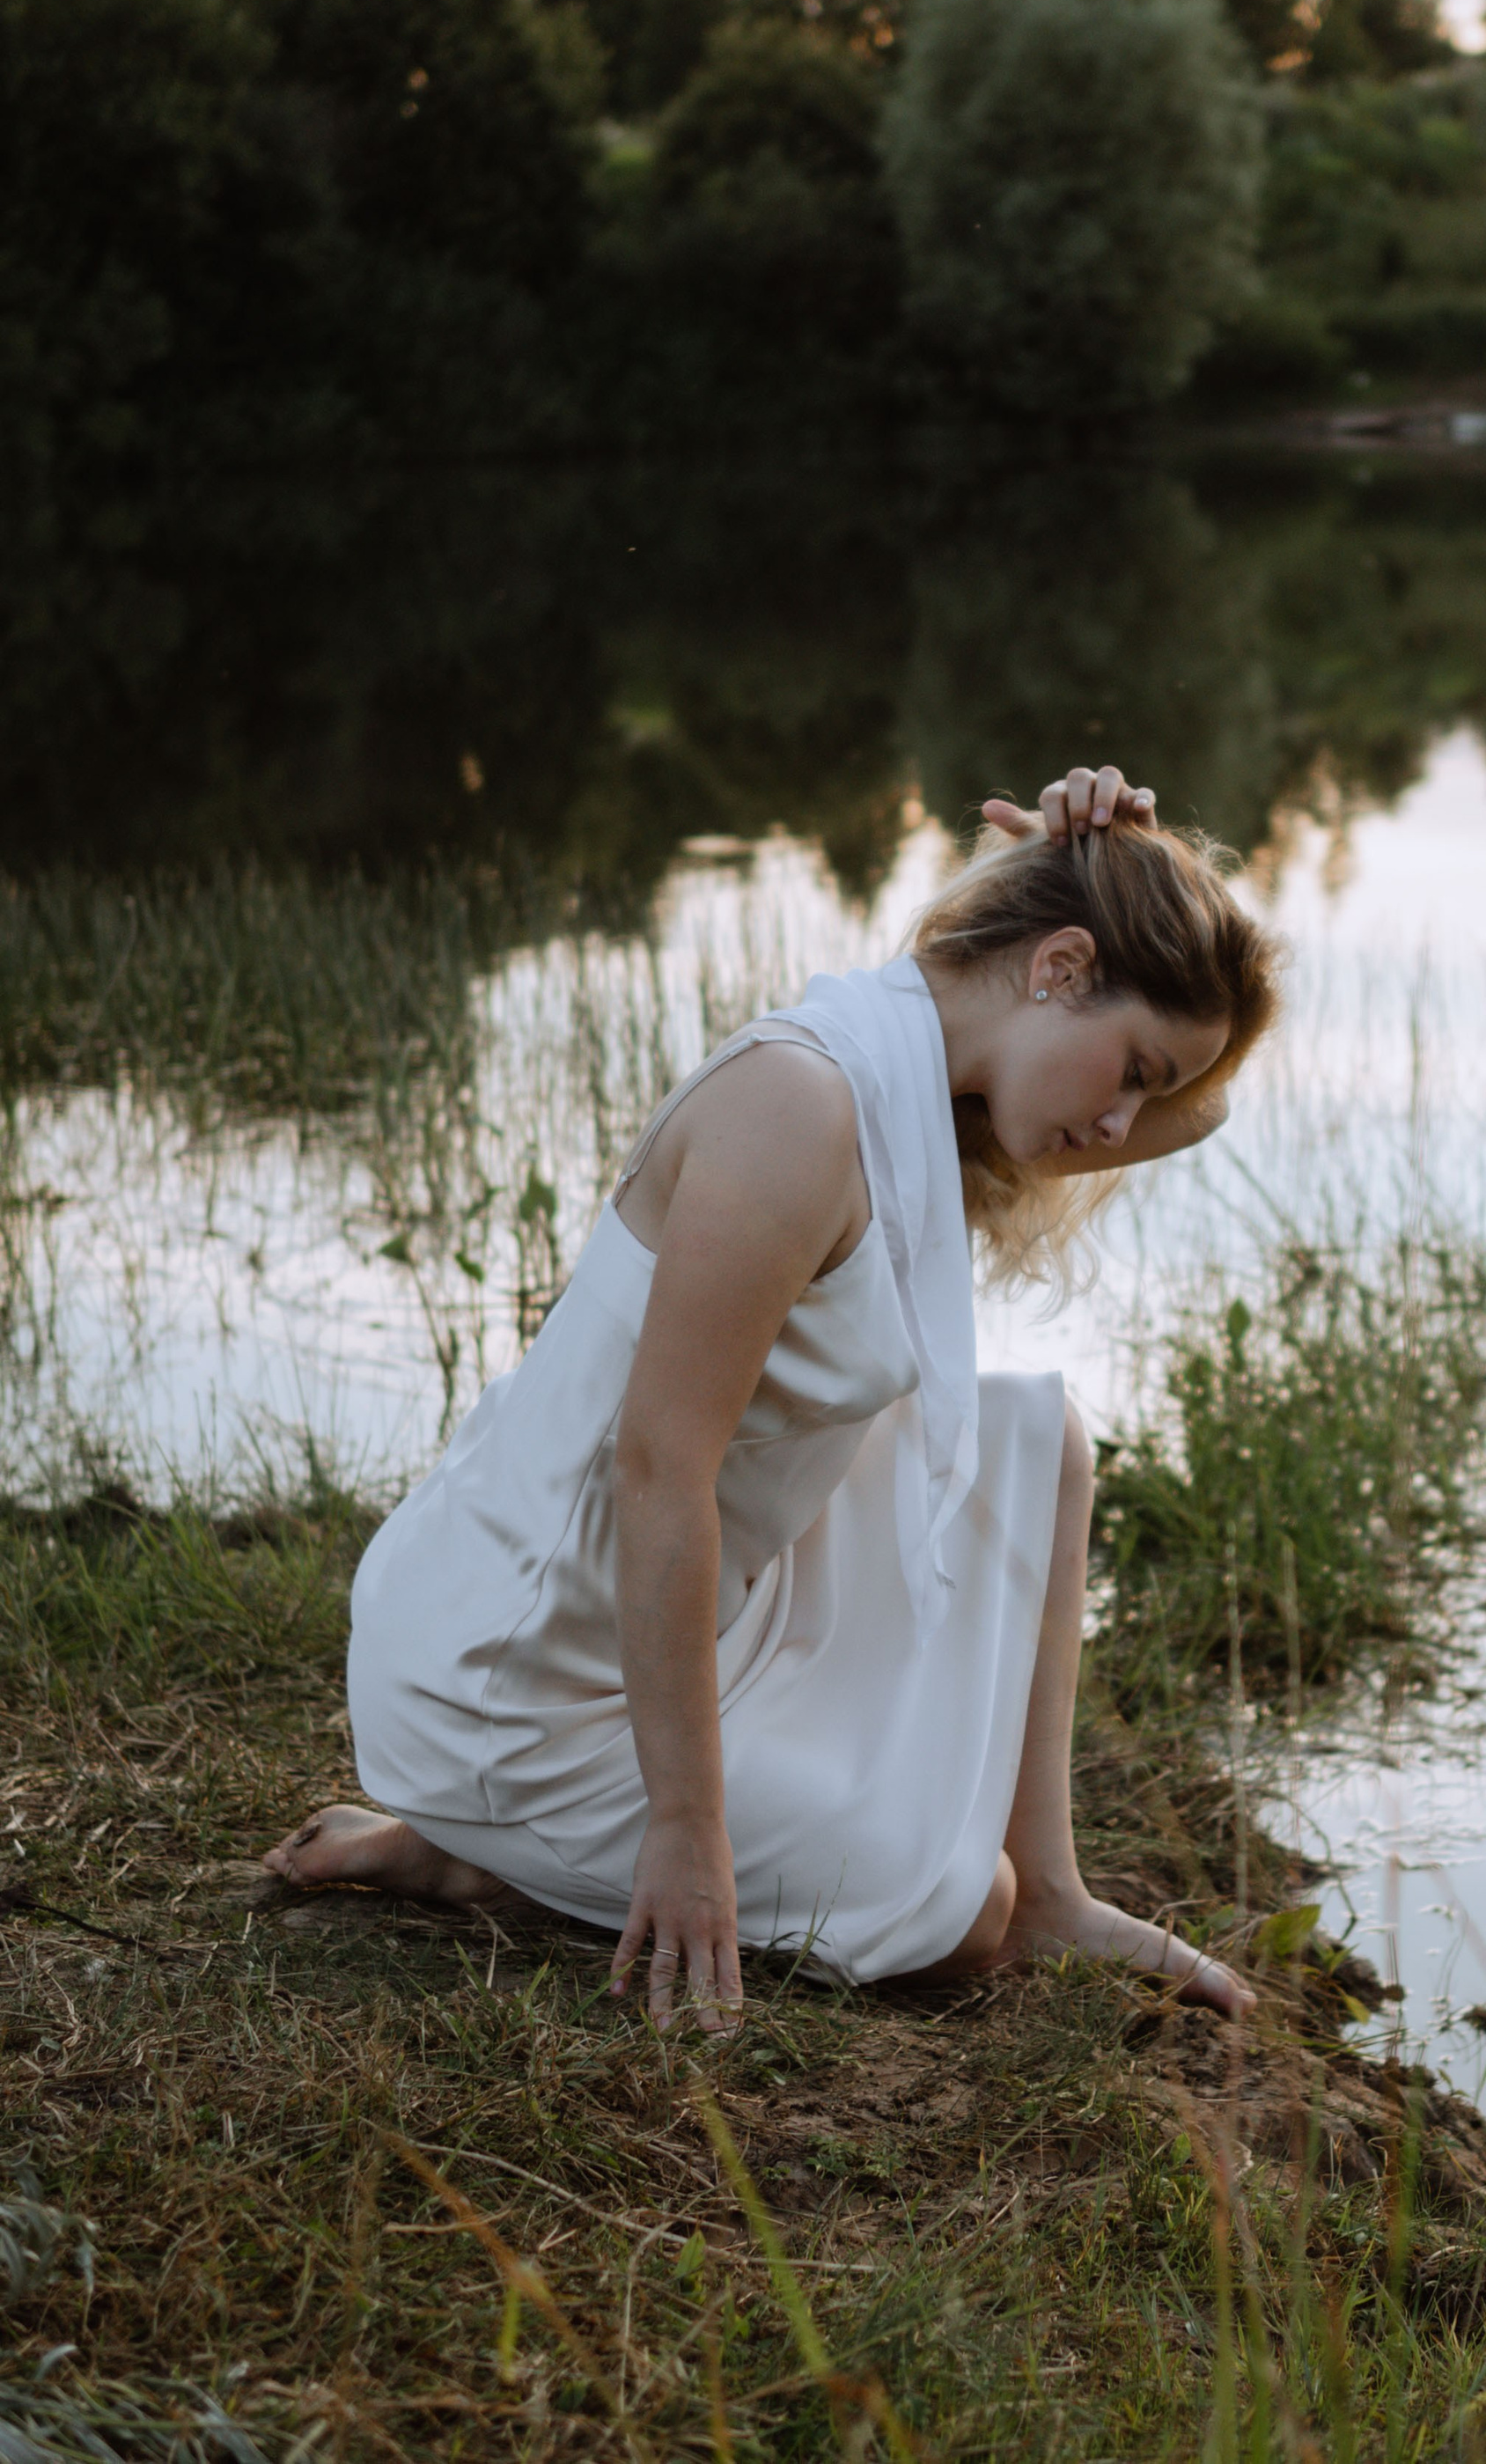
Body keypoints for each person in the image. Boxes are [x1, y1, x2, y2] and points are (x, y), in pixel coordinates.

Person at [264, 765, 1284, 2031]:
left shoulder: (924, 1086)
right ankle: (478, 1846)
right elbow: (658, 1468)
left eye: (1146, 1083)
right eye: (1129, 1066)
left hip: (692, 1603)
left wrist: (1133, 873)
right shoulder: (801, 1107)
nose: (1127, 1116)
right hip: (513, 1674)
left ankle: (1055, 1890)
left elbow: (1203, 1107)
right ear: (1060, 969)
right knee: (956, 1918)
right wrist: (690, 1834)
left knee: (1043, 1441)